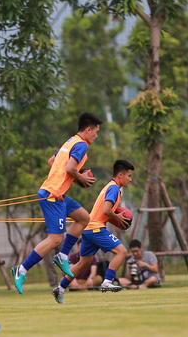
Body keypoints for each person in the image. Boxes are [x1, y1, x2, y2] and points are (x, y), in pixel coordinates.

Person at [11, 113, 101, 294]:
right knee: (55, 239)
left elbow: (52, 161)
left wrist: (71, 177)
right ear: (88, 129)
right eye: (96, 132)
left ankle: (62, 256)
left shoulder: (70, 141)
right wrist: (79, 176)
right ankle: (21, 270)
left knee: (84, 218)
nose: (96, 136)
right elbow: (69, 168)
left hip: (56, 194)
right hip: (53, 195)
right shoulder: (81, 145)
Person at [52, 160, 134, 303]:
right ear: (120, 175)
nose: (130, 179)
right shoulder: (114, 188)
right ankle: (107, 282)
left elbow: (105, 212)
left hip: (89, 229)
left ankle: (60, 288)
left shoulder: (110, 186)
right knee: (122, 251)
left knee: (82, 264)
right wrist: (118, 218)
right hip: (96, 228)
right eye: (129, 175)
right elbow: (106, 210)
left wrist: (115, 219)